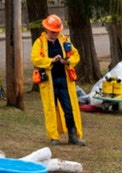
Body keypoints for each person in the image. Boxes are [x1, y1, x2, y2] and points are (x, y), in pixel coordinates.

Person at [31, 14, 85, 146]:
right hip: (49, 82)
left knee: (69, 108)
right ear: (46, 29)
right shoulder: (40, 42)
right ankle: (54, 137)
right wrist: (51, 60)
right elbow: (35, 59)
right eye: (52, 31)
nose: (54, 34)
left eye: (57, 32)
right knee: (50, 109)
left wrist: (67, 61)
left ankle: (73, 136)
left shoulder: (65, 41)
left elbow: (76, 56)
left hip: (64, 81)